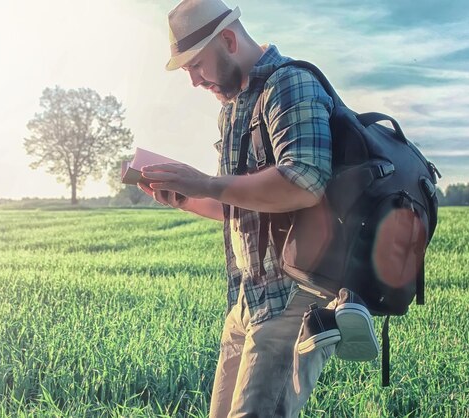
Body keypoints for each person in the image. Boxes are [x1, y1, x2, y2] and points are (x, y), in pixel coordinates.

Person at [138, 0, 378, 417]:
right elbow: (242, 204)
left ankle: (326, 324)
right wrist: (186, 197)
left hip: (293, 295)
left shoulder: (290, 84)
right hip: (247, 296)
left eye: (196, 65)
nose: (193, 80)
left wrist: (206, 181)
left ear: (228, 40)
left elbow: (303, 181)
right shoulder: (232, 109)